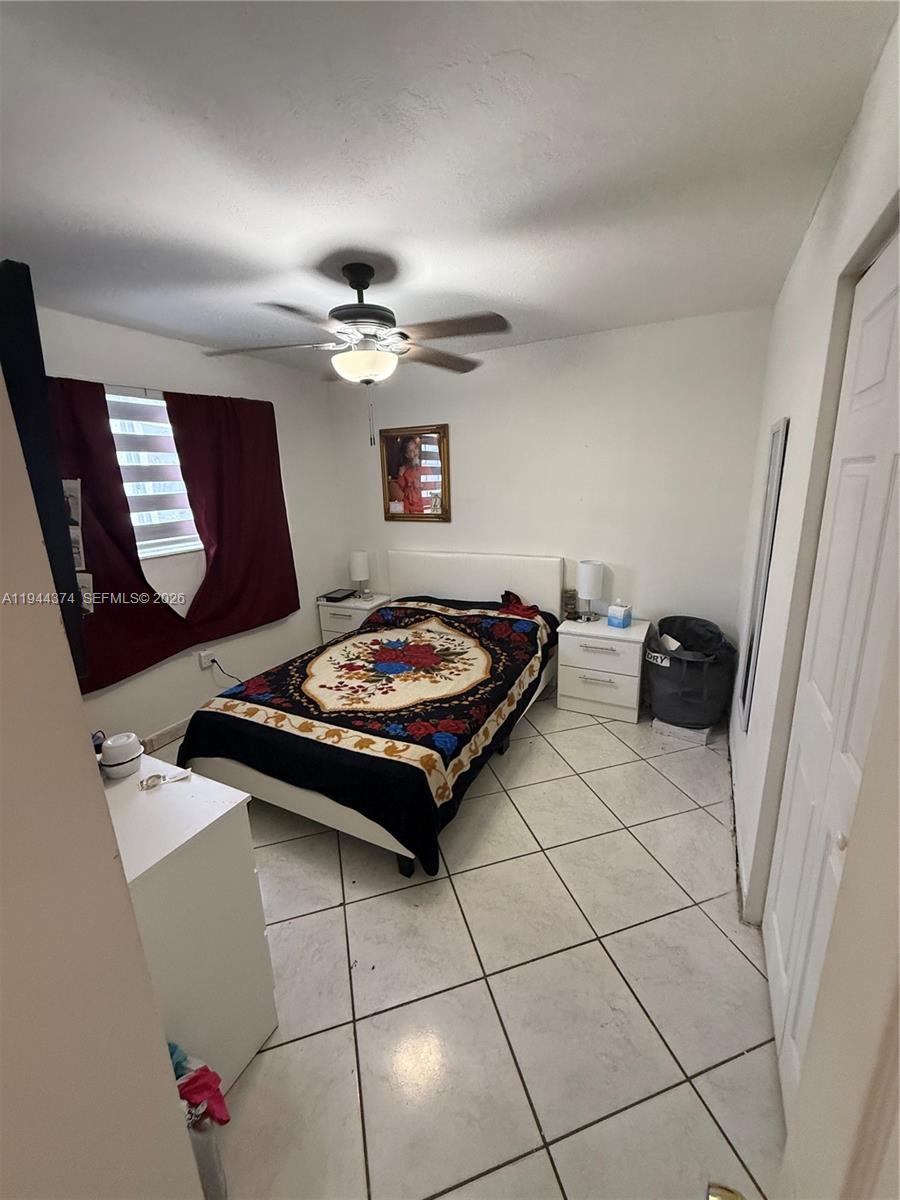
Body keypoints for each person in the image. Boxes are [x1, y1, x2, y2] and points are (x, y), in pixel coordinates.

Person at [394, 435, 425, 513]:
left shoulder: (426, 467)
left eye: (415, 448)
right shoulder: (405, 470)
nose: (414, 452)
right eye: (411, 451)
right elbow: (401, 487)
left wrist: (421, 485)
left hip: (423, 505)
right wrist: (400, 475)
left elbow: (431, 488)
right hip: (410, 506)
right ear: (407, 455)